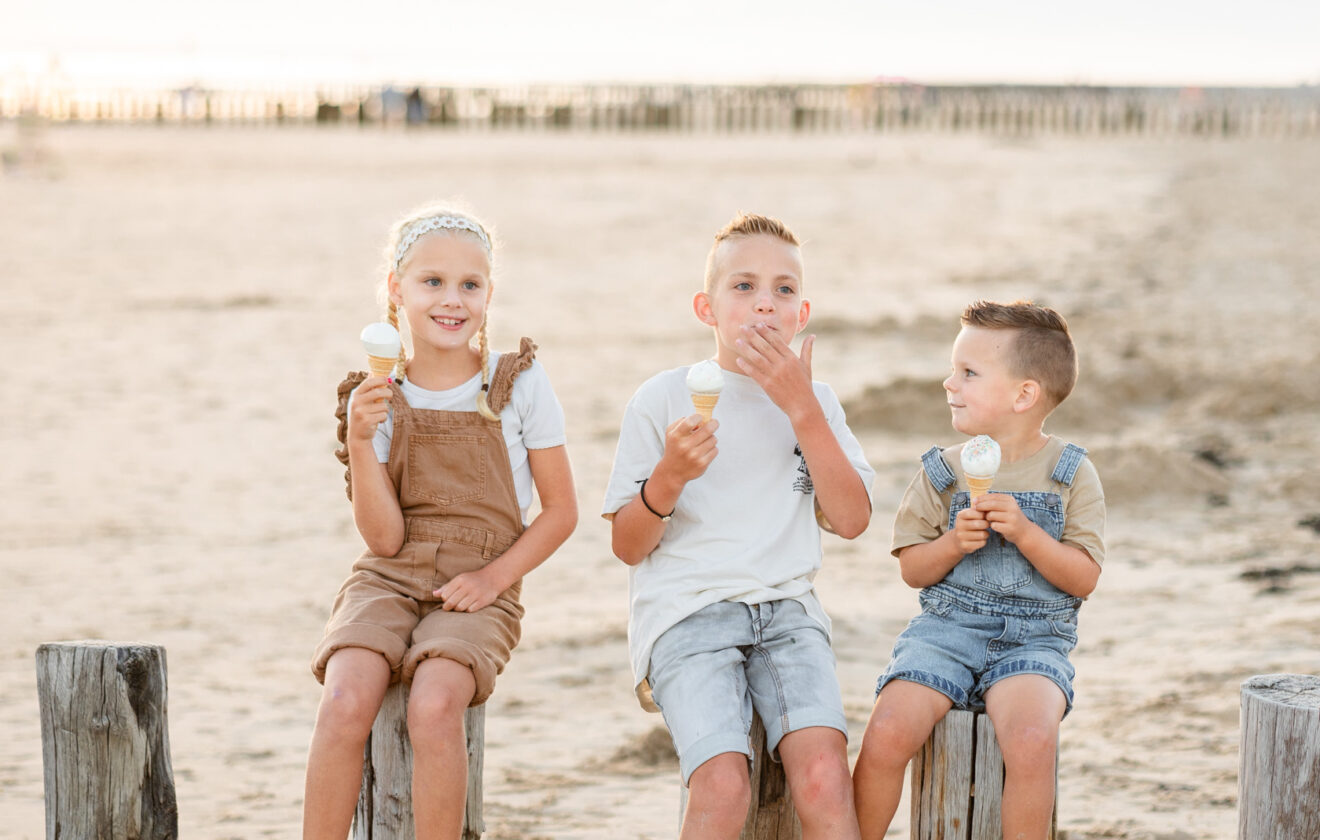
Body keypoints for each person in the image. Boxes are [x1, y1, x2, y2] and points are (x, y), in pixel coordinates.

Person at [303, 205, 578, 840]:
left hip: (483, 578)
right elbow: (384, 540)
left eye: (470, 285)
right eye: (432, 282)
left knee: (432, 703)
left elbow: (560, 513)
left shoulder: (516, 383)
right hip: (389, 575)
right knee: (345, 698)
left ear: (488, 295)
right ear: (396, 292)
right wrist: (360, 436)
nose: (452, 300)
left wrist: (493, 580)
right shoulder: (376, 395)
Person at [603, 212, 875, 840]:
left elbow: (853, 518)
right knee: (724, 783)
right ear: (707, 308)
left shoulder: (818, 401)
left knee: (824, 777)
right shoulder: (663, 398)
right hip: (687, 614)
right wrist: (668, 478)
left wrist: (803, 410)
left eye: (783, 290)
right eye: (744, 286)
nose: (764, 305)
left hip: (788, 611)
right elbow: (627, 544)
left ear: (801, 313)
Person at [852, 300, 1104, 840]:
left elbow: (1083, 577)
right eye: (953, 369)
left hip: (1033, 642)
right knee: (888, 731)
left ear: (1024, 395)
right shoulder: (943, 472)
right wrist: (951, 545)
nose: (949, 383)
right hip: (946, 632)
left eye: (968, 372)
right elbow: (913, 570)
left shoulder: (1070, 474)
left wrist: (1026, 533)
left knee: (1033, 740)